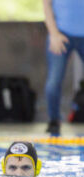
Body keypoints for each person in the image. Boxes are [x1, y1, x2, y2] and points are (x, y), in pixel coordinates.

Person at [43, 0, 84, 135]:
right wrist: (54, 34)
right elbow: (46, 5)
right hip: (60, 33)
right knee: (53, 81)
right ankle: (54, 120)